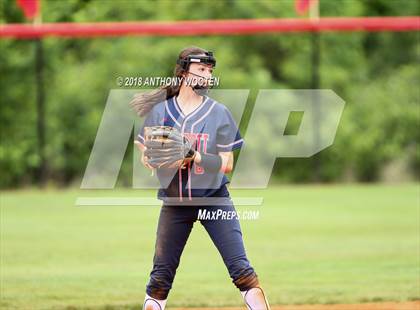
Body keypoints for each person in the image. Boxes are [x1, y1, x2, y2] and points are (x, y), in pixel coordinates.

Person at [131, 46, 270, 310]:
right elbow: (145, 151)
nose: (207, 76)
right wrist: (153, 157)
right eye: (201, 70)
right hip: (175, 202)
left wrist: (194, 155)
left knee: (242, 271)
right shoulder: (161, 112)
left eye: (209, 71)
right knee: (159, 280)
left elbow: (226, 164)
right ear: (184, 72)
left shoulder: (219, 113)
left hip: (214, 200)